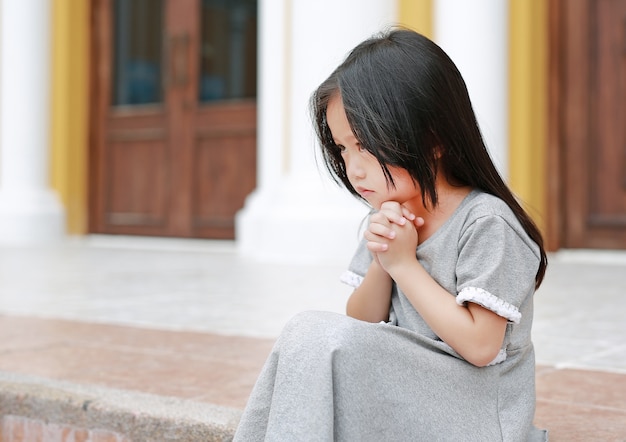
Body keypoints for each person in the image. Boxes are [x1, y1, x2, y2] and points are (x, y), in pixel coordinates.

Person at [233, 28, 548, 441]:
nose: (353, 167)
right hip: (416, 390)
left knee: (311, 333)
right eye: (343, 148)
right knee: (307, 335)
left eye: (364, 144)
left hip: (477, 411)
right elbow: (363, 319)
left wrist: (405, 264)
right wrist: (385, 261)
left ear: (433, 138)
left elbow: (480, 346)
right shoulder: (386, 217)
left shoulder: (486, 221)